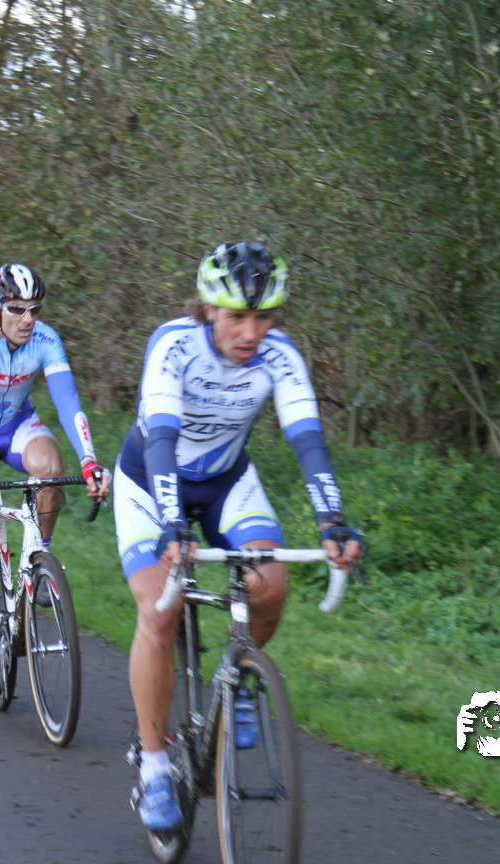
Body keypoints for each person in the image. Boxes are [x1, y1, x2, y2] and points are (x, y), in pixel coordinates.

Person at [115, 242, 363, 830]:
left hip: (226, 482)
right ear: (208, 309)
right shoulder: (173, 345)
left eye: (264, 317)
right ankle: (154, 768)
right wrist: (172, 524)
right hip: (151, 481)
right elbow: (161, 437)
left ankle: (241, 679)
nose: (251, 332)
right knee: (158, 613)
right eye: (237, 317)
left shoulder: (280, 356)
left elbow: (307, 439)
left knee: (270, 585)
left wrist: (331, 520)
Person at [0, 263, 111, 700]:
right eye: (17, 309)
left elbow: (67, 400)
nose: (28, 318)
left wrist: (89, 460)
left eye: (35, 309)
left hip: (16, 424)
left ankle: (38, 558)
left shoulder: (45, 340)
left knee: (51, 468)